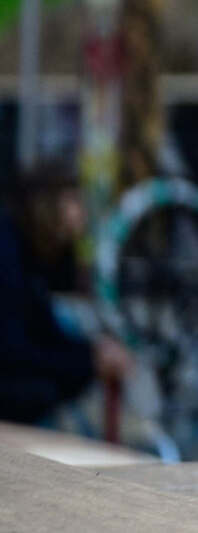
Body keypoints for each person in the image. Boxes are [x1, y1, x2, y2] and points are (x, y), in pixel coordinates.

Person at [0, 160, 129, 427]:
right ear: (47, 202)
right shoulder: (8, 249)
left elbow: (44, 330)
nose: (80, 217)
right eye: (75, 203)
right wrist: (87, 361)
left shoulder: (29, 251)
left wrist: (93, 355)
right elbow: (14, 349)